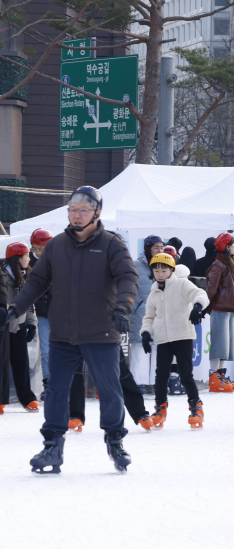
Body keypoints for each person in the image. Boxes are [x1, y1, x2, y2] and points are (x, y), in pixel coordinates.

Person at [6, 186, 138, 474]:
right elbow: (37, 281)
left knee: (110, 388)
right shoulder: (57, 246)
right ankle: (53, 445)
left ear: (97, 213)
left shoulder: (111, 244)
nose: (77, 216)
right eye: (73, 210)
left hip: (102, 331)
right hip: (64, 332)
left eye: (83, 210)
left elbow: (128, 276)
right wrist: (16, 306)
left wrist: (123, 308)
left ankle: (115, 440)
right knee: (56, 390)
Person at [140, 253, 207, 429]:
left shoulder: (181, 284)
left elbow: (199, 293)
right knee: (160, 375)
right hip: (163, 339)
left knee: (186, 374)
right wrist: (146, 333)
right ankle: (160, 409)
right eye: (156, 270)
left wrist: (198, 307)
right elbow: (149, 317)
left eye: (164, 269)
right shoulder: (153, 292)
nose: (160, 273)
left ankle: (196, 407)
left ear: (171, 270)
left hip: (183, 335)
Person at [203, 232, 234, 393]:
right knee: (219, 343)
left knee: (226, 345)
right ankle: (214, 376)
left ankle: (220, 374)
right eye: (233, 244)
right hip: (220, 308)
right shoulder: (218, 265)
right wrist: (205, 307)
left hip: (229, 308)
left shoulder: (228, 264)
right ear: (226, 247)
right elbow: (211, 289)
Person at [2, 242, 38, 412]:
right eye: (26, 256)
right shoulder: (3, 276)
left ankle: (27, 398)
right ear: (18, 258)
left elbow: (30, 302)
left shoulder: (25, 276)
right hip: (3, 326)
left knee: (21, 362)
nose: (29, 258)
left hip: (19, 325)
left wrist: (32, 324)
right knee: (2, 363)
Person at [29, 228, 54, 388]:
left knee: (63, 351)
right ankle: (48, 383)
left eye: (41, 249)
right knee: (45, 350)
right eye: (35, 248)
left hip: (60, 313)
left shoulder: (58, 261)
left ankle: (62, 383)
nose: (37, 252)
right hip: (42, 314)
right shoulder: (29, 263)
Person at [133, 235, 165, 348]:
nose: (159, 250)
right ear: (148, 248)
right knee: (140, 360)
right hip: (141, 316)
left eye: (162, 247)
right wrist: (137, 306)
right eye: (156, 247)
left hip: (159, 317)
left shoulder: (164, 267)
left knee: (158, 360)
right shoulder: (136, 265)